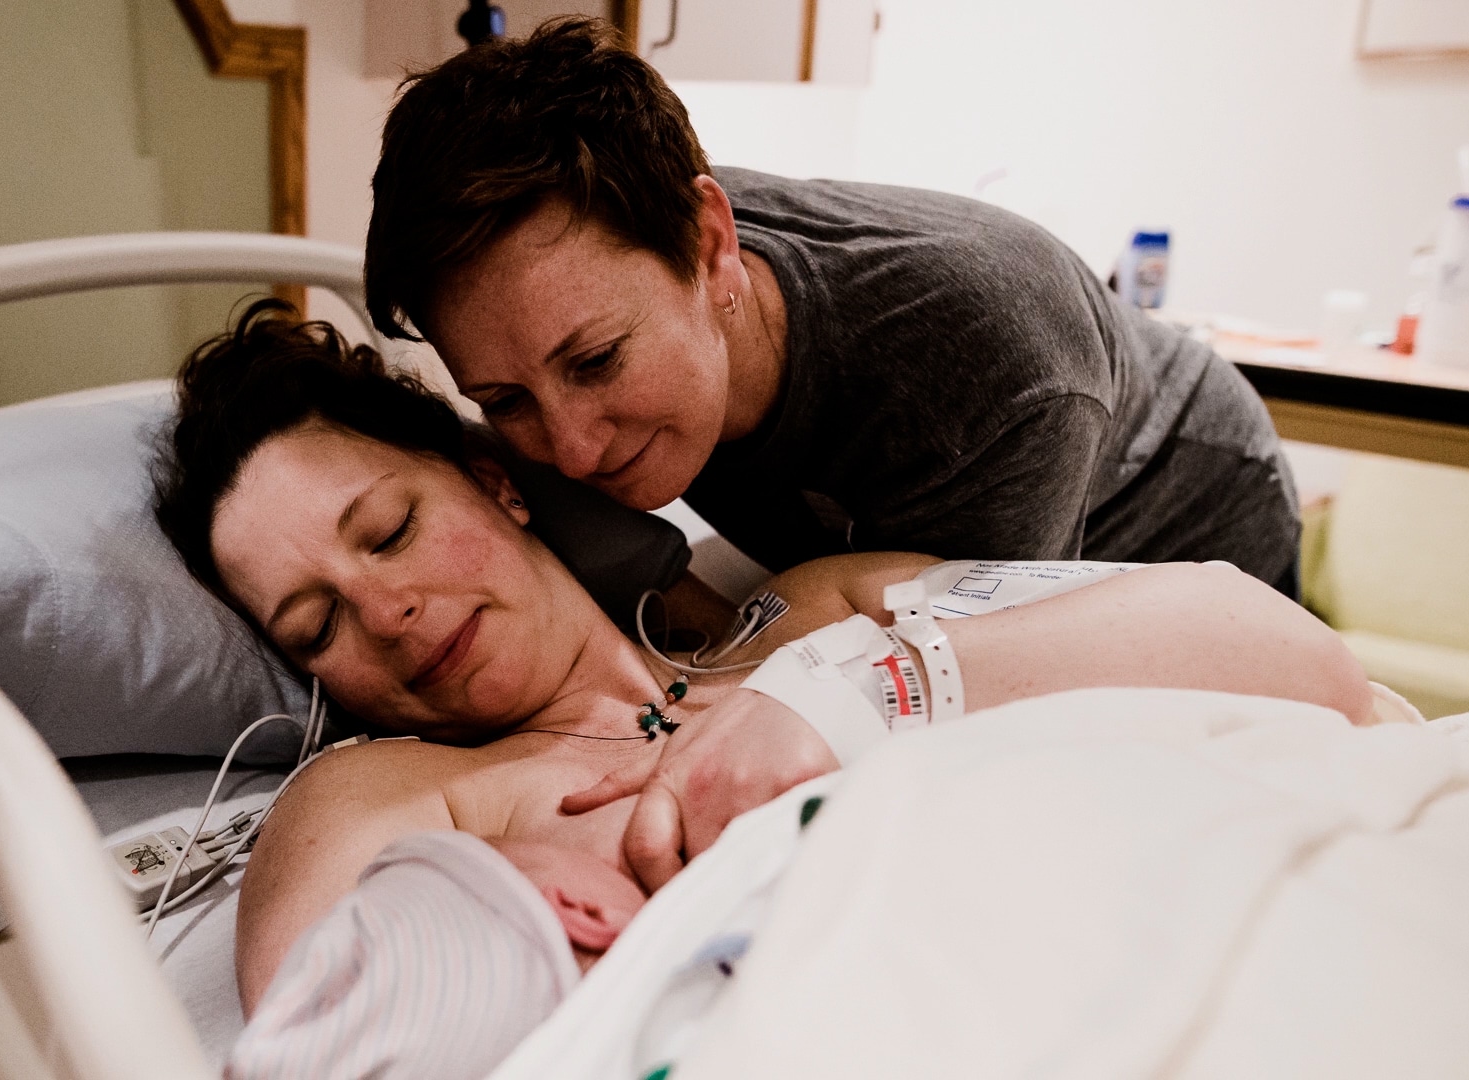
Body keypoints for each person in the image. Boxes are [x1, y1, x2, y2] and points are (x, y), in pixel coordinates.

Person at [151, 301, 1369, 1017]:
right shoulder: (383, 792)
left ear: (491, 483)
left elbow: (1297, 663)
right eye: (318, 627)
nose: (392, 613)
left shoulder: (805, 617)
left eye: (392, 531)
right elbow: (343, 1033)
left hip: (1210, 942)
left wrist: (852, 697)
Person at [360, 18, 1307, 852]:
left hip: (1179, 496)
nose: (570, 451)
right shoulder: (588, 263)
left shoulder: (984, 368)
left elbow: (963, 693)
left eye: (598, 361)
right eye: (506, 399)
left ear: (711, 244)